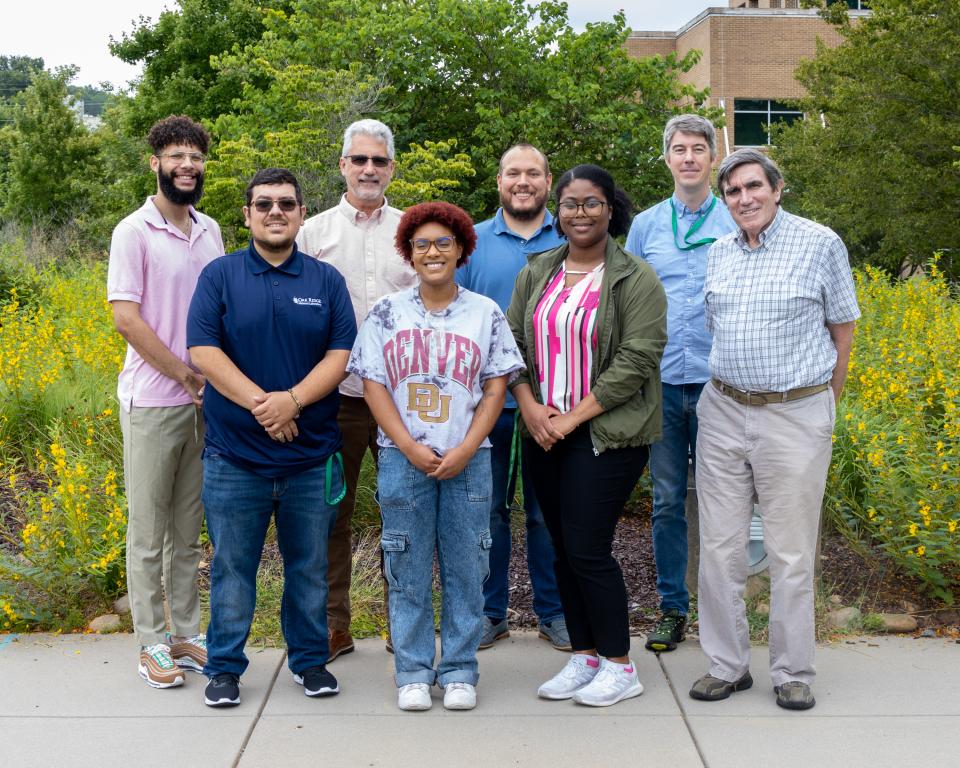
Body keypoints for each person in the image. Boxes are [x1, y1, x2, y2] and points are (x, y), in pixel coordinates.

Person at [690, 149, 858, 711]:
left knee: (789, 551)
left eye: (753, 186)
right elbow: (718, 329)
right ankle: (727, 664)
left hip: (795, 412)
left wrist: (818, 410)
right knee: (719, 547)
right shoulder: (718, 253)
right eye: (733, 191)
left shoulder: (820, 243)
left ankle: (791, 671)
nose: (744, 199)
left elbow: (842, 331)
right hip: (722, 410)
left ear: (777, 187)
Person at [187, 168, 357, 708]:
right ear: (247, 214)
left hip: (310, 459)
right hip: (235, 458)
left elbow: (340, 356)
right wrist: (267, 406)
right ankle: (225, 668)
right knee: (233, 570)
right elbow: (204, 353)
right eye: (264, 204)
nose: (275, 212)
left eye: (286, 203)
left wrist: (294, 402)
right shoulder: (220, 275)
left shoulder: (326, 280)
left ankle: (309, 663)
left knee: (308, 568)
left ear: (302, 213)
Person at [348, 201, 524, 712]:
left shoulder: (484, 313)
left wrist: (468, 446)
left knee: (468, 566)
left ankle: (461, 669)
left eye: (443, 243)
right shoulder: (387, 313)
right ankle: (413, 671)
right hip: (404, 460)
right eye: (421, 244)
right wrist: (406, 444)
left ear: (462, 249)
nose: (432, 252)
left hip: (469, 461)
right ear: (408, 253)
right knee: (405, 565)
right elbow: (374, 384)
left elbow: (496, 387)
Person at [507, 165, 667, 707]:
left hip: (604, 433)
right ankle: (586, 655)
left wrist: (570, 419)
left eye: (592, 203)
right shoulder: (538, 271)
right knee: (558, 547)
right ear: (559, 210)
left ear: (610, 208)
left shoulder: (634, 277)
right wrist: (530, 408)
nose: (580, 213)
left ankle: (621, 665)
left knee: (588, 547)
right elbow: (511, 345)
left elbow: (637, 360)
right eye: (571, 203)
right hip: (542, 430)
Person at [108, 115, 224, 689]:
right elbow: (126, 318)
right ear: (154, 162)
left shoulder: (212, 230)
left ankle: (186, 633)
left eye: (195, 156)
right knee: (147, 529)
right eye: (176, 155)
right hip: (154, 401)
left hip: (207, 404)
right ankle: (151, 643)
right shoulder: (134, 231)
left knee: (187, 529)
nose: (187, 165)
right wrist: (184, 373)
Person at [296, 119, 416, 660]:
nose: (370, 169)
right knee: (330, 515)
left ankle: (404, 625)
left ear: (392, 167)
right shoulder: (311, 233)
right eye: (360, 160)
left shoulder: (414, 230)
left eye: (380, 161)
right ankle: (333, 626)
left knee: (405, 511)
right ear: (343, 165)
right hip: (333, 400)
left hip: (403, 400)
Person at [625, 115, 736, 653]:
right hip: (663, 383)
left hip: (722, 384)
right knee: (668, 500)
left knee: (722, 500)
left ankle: (723, 611)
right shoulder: (646, 226)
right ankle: (673, 608)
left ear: (712, 158)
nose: (689, 157)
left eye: (698, 149)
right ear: (666, 158)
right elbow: (626, 301)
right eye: (678, 149)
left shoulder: (737, 220)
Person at [456, 143, 568, 652]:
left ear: (549, 182)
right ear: (498, 181)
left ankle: (555, 612)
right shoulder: (472, 242)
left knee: (549, 512)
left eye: (533, 174)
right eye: (513, 173)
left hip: (558, 405)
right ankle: (489, 612)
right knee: (488, 512)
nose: (523, 182)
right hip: (486, 405)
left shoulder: (572, 237)